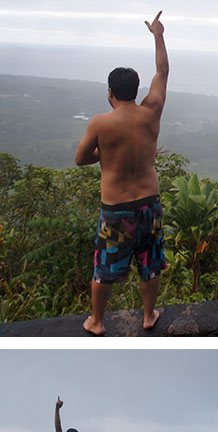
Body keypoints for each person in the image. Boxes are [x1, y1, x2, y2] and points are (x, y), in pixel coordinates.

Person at [75, 11, 169, 336]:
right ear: (136, 89)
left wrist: (107, 153)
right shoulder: (151, 112)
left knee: (104, 267)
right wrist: (157, 34)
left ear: (110, 93)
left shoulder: (101, 122)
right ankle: (148, 315)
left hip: (116, 211)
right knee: (150, 261)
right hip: (150, 203)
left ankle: (97, 321)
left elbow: (80, 158)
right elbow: (162, 71)